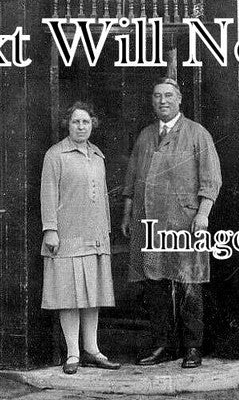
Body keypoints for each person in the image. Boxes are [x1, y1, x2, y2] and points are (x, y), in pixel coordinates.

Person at [120, 77, 221, 368]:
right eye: (156, 96)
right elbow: (131, 181)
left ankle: (192, 347)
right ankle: (162, 345)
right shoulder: (145, 136)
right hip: (149, 223)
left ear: (179, 100)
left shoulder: (197, 133)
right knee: (154, 284)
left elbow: (211, 179)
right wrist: (127, 216)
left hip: (185, 222)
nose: (162, 101)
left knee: (189, 282)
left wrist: (203, 214)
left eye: (168, 96)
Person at [40, 102, 120, 374]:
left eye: (86, 122)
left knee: (92, 295)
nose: (81, 127)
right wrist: (50, 228)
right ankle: (73, 353)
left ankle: (92, 350)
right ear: (68, 124)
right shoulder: (56, 155)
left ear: (92, 124)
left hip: (95, 235)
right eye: (76, 122)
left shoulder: (97, 155)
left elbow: (104, 197)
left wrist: (106, 230)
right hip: (67, 234)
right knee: (69, 295)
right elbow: (48, 193)